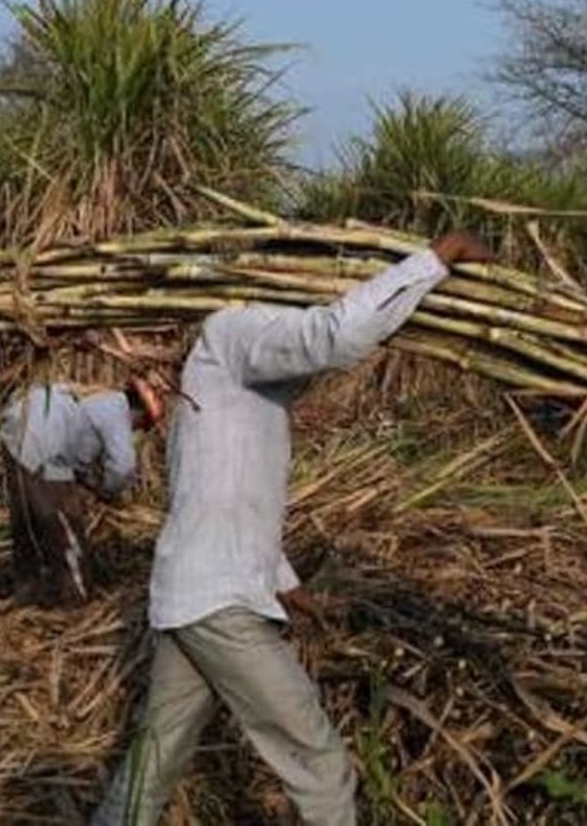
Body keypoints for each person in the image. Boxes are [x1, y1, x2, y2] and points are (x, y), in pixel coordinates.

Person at [91, 231, 495, 825]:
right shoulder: (234, 332)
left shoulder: (221, 389)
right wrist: (436, 260)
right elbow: (332, 335)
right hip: (217, 601)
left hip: (195, 595)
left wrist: (285, 583)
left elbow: (224, 499)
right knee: (321, 763)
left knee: (154, 761)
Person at [1, 377, 165, 607]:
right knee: (66, 525)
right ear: (139, 413)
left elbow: (78, 458)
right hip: (43, 444)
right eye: (140, 425)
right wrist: (108, 491)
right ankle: (76, 598)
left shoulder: (97, 396)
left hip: (17, 428)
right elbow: (122, 467)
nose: (136, 430)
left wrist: (89, 482)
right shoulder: (118, 412)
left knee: (27, 523)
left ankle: (29, 593)